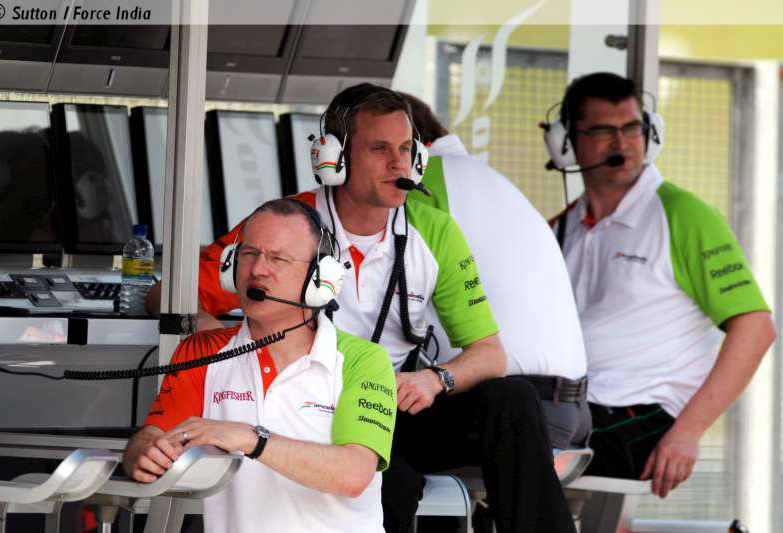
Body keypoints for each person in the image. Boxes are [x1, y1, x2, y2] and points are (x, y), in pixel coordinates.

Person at [194, 84, 576, 532]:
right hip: (312, 410)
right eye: (380, 149)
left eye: (405, 149)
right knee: (390, 482)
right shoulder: (285, 225)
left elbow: (490, 354)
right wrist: (224, 348)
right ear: (334, 157)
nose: (399, 164)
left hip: (394, 407)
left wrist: (435, 379)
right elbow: (173, 296)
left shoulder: (434, 230)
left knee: (513, 400)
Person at [548, 72, 776, 498]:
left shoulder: (685, 215)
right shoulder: (562, 228)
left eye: (632, 127)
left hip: (647, 420)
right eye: (603, 130)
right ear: (565, 140)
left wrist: (689, 432)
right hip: (576, 409)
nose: (622, 143)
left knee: (516, 445)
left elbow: (756, 327)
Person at [124, 199, 397, 532]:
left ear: (320, 278)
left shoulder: (365, 361)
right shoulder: (202, 351)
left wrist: (252, 439)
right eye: (249, 254)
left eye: (278, 258)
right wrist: (142, 453)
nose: (257, 270)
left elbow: (353, 474)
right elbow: (152, 435)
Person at [400, 92, 590, 450]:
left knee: (363, 430)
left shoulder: (417, 184)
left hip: (514, 406)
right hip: (572, 408)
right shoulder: (492, 180)